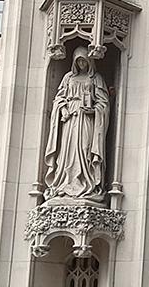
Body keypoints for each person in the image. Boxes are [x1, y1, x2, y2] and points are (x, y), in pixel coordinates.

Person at [43, 47, 111, 201]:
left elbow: (104, 103)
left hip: (87, 119)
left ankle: (87, 181)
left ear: (89, 62)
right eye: (78, 61)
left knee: (85, 148)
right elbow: (59, 98)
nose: (81, 64)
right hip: (69, 120)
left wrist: (94, 110)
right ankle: (65, 182)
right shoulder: (68, 78)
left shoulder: (96, 78)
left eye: (84, 60)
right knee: (67, 150)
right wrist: (63, 109)